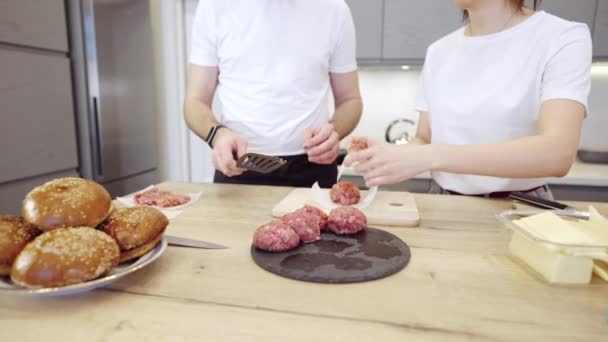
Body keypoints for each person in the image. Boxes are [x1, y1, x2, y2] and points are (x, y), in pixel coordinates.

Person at [347, 0, 591, 199]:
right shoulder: (439, 51)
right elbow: (424, 139)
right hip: (445, 204)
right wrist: (389, 153)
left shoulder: (563, 38)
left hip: (523, 209)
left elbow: (558, 154)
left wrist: (429, 157)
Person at [184, 0, 363, 188]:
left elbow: (350, 100)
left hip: (313, 167)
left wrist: (333, 132)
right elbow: (195, 101)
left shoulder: (334, 9)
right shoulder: (214, 6)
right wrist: (217, 135)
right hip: (238, 166)